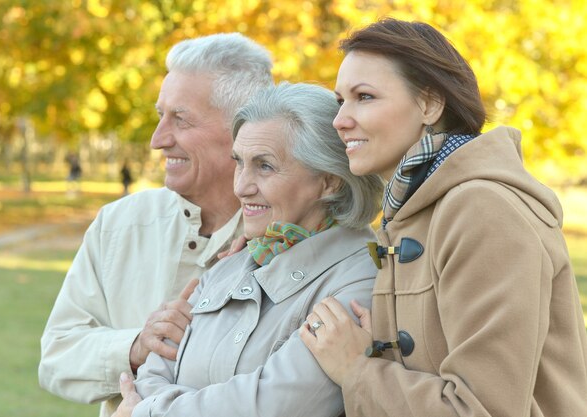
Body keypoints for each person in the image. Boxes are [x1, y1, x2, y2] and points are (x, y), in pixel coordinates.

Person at [299, 17, 587, 417]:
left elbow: (484, 408)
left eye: (364, 97)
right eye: (339, 101)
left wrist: (356, 370)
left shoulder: (482, 209)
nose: (340, 120)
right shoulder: (411, 213)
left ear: (430, 104)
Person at [111, 82, 384, 417]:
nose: (241, 187)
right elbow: (155, 371)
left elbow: (274, 406)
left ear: (330, 181)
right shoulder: (231, 263)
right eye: (239, 162)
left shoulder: (359, 281)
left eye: (264, 166)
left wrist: (147, 412)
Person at [38, 33, 274, 417]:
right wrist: (135, 347)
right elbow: (56, 355)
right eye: (159, 115)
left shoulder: (293, 235)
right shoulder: (117, 224)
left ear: (242, 128)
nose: (157, 140)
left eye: (180, 119)